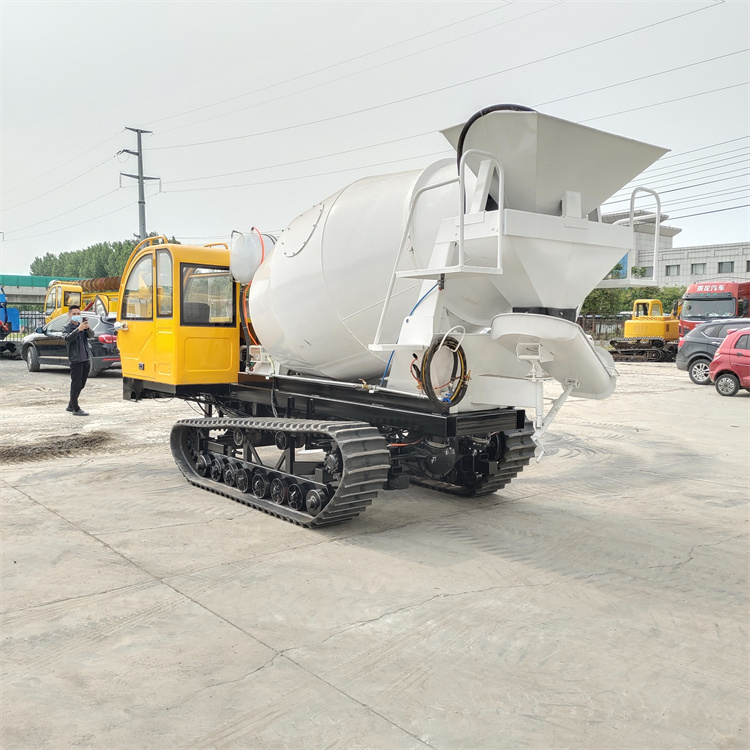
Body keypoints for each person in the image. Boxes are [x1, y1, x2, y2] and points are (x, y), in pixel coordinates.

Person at [62, 305, 94, 416]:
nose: (76, 316)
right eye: (74, 314)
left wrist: (87, 328)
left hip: (85, 358)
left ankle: (71, 405)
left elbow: (91, 335)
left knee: (82, 384)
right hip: (76, 360)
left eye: (78, 314)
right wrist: (77, 330)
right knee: (75, 384)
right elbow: (68, 338)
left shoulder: (82, 326)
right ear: (69, 315)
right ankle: (76, 408)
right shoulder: (67, 327)